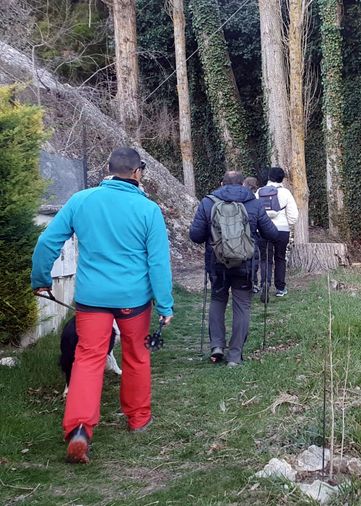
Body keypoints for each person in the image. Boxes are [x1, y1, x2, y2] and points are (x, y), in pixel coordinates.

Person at [31, 147, 174, 464]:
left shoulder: (81, 200)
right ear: (137, 172)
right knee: (136, 355)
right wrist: (165, 305)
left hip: (92, 299)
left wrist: (41, 278)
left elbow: (47, 241)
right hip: (134, 300)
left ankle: (79, 429)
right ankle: (138, 418)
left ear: (108, 169)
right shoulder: (148, 210)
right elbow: (158, 263)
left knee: (87, 358)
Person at [190, 171, 279, 366]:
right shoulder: (254, 203)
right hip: (245, 264)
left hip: (217, 262)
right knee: (242, 305)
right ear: (243, 184)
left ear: (222, 183)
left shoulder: (208, 202)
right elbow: (272, 233)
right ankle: (235, 356)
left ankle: (217, 345)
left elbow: (195, 236)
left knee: (218, 299)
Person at [256, 167, 298, 299]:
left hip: (263, 229)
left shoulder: (259, 192)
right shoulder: (285, 193)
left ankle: (265, 283)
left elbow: (254, 211)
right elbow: (293, 216)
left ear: (269, 177)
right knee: (280, 258)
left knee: (265, 259)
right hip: (281, 230)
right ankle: (280, 288)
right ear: (282, 178)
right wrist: (288, 223)